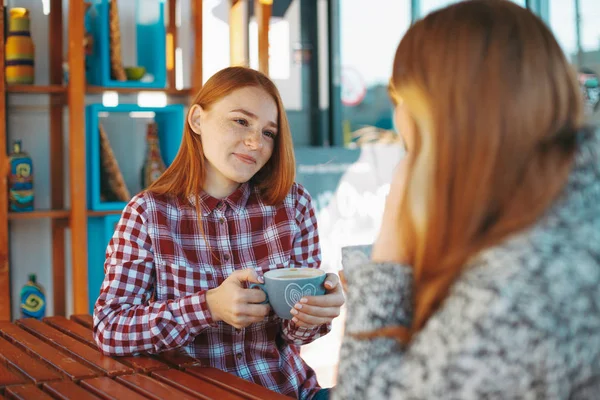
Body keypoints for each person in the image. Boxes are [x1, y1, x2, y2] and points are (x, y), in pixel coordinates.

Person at [334, 1, 600, 399]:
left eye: (404, 101)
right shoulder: (567, 201)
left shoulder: (521, 280)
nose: (400, 119)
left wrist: (390, 247)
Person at [93, 66, 344, 400]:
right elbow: (111, 328)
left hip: (288, 392)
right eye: (241, 121)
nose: (256, 142)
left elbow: (295, 336)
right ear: (197, 120)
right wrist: (209, 306)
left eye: (268, 133)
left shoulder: (293, 204)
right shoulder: (148, 213)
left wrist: (314, 313)